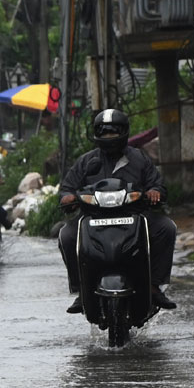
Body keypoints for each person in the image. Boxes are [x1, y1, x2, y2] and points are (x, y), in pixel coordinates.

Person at [58, 109, 177, 313]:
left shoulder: (139, 158)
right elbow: (67, 188)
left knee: (167, 228)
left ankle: (154, 286)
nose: (108, 137)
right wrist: (67, 197)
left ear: (124, 132)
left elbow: (156, 184)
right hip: (92, 217)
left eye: (113, 132)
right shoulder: (86, 162)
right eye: (104, 133)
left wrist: (154, 192)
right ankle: (81, 289)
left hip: (136, 215)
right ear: (96, 134)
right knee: (67, 236)